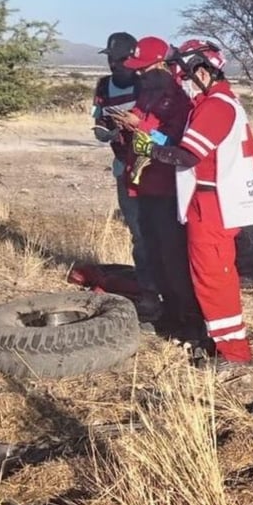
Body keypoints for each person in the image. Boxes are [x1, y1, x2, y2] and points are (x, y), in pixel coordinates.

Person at [130, 39, 253, 370]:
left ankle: (234, 352)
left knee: (214, 276)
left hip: (212, 203)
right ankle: (221, 340)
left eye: (187, 74)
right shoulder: (219, 102)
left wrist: (149, 149)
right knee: (209, 274)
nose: (184, 81)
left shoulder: (216, 106)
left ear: (203, 71)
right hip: (207, 199)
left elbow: (188, 155)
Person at [113, 36, 203, 339]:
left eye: (144, 68)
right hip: (141, 184)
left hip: (165, 187)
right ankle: (167, 311)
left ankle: (187, 318)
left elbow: (179, 142)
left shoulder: (178, 99)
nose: (139, 74)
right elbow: (140, 116)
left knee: (171, 254)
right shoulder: (148, 92)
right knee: (151, 249)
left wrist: (144, 130)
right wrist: (127, 122)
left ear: (163, 65)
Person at [91, 32, 161, 320]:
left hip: (154, 167)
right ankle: (148, 293)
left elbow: (164, 128)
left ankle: (171, 291)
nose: (114, 65)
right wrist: (106, 131)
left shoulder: (148, 85)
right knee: (140, 234)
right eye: (110, 59)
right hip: (124, 167)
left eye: (120, 59)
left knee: (163, 232)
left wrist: (139, 126)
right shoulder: (103, 85)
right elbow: (98, 123)